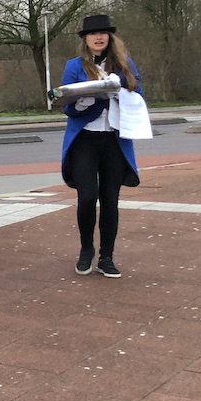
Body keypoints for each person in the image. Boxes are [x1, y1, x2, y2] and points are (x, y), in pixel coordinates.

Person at [60, 14, 142, 278]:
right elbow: (67, 106)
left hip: (114, 141)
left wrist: (122, 92)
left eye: (104, 33)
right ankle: (86, 250)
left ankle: (107, 257)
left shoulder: (124, 63)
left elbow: (138, 93)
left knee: (110, 200)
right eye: (93, 34)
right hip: (85, 139)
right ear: (85, 39)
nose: (99, 37)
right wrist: (83, 100)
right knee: (87, 198)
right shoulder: (74, 66)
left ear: (109, 37)